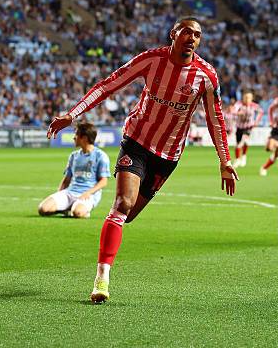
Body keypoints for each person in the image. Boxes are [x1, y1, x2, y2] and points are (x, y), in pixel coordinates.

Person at [46, 17, 239, 304]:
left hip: (168, 156)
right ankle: (102, 278)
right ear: (173, 34)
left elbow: (215, 119)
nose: (192, 38)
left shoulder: (206, 77)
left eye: (197, 35)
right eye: (187, 32)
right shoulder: (151, 60)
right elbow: (108, 85)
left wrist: (225, 161)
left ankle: (107, 240)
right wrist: (72, 114)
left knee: (128, 215)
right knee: (122, 203)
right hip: (136, 143)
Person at [38, 122, 110, 218]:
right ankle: (70, 208)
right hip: (70, 192)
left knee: (78, 213)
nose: (74, 137)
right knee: (43, 209)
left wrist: (88, 193)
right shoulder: (74, 156)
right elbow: (67, 179)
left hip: (88, 194)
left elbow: (103, 181)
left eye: (76, 134)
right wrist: (59, 193)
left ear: (84, 138)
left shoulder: (100, 156)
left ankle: (77, 209)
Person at [232, 92, 264, 168]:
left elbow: (261, 112)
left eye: (249, 98)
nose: (247, 99)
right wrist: (238, 113)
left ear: (251, 98)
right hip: (239, 127)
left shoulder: (254, 105)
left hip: (249, 127)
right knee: (238, 144)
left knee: (244, 141)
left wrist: (256, 121)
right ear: (243, 98)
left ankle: (242, 157)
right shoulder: (239, 104)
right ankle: (238, 158)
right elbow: (233, 110)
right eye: (245, 97)